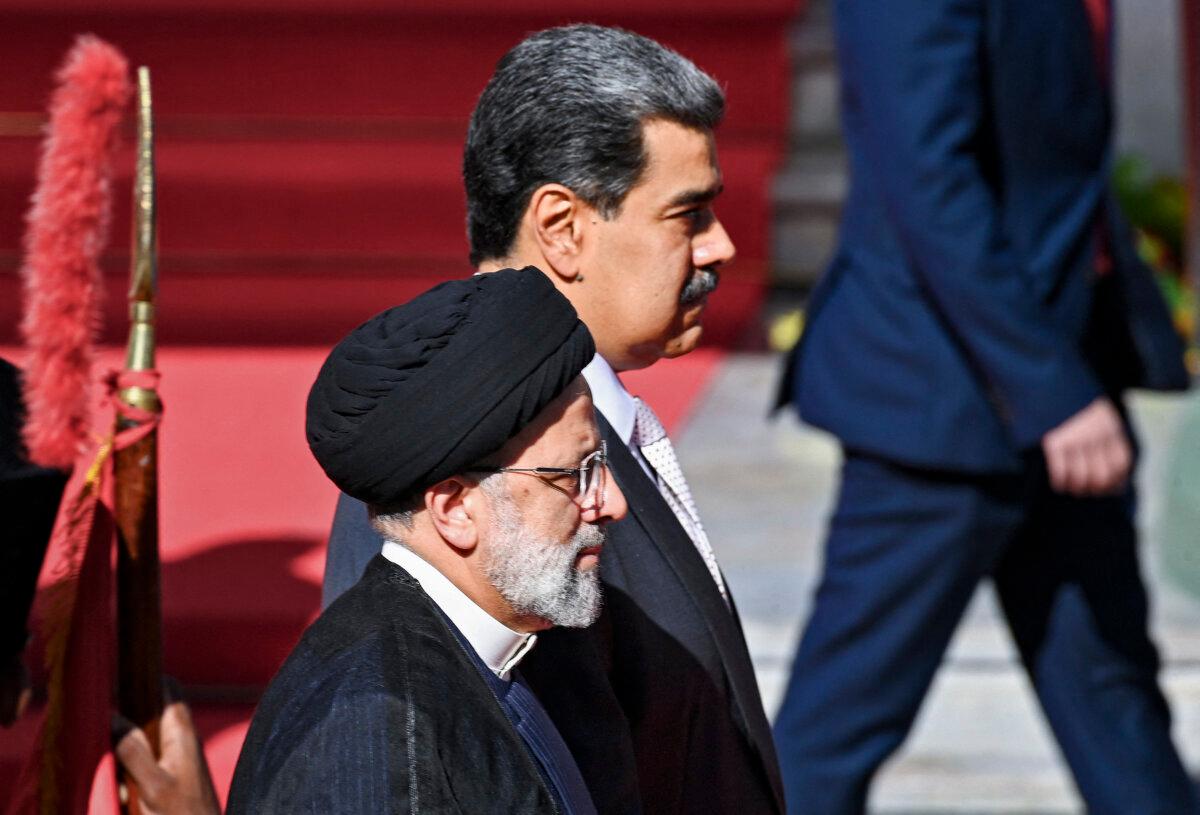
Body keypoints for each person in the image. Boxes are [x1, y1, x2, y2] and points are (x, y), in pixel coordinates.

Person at [323, 24, 785, 815]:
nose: (722, 247)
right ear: (564, 228)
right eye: (688, 215)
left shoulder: (586, 426)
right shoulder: (471, 474)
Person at [773, 1, 1198, 813]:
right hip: (944, 405)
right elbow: (927, 182)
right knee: (834, 731)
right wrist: (1052, 392)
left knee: (1117, 708)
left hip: (1062, 378)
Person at [227, 267, 627, 813]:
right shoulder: (375, 730)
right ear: (455, 508)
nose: (611, 502)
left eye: (600, 464)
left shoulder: (506, 644)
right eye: (573, 475)